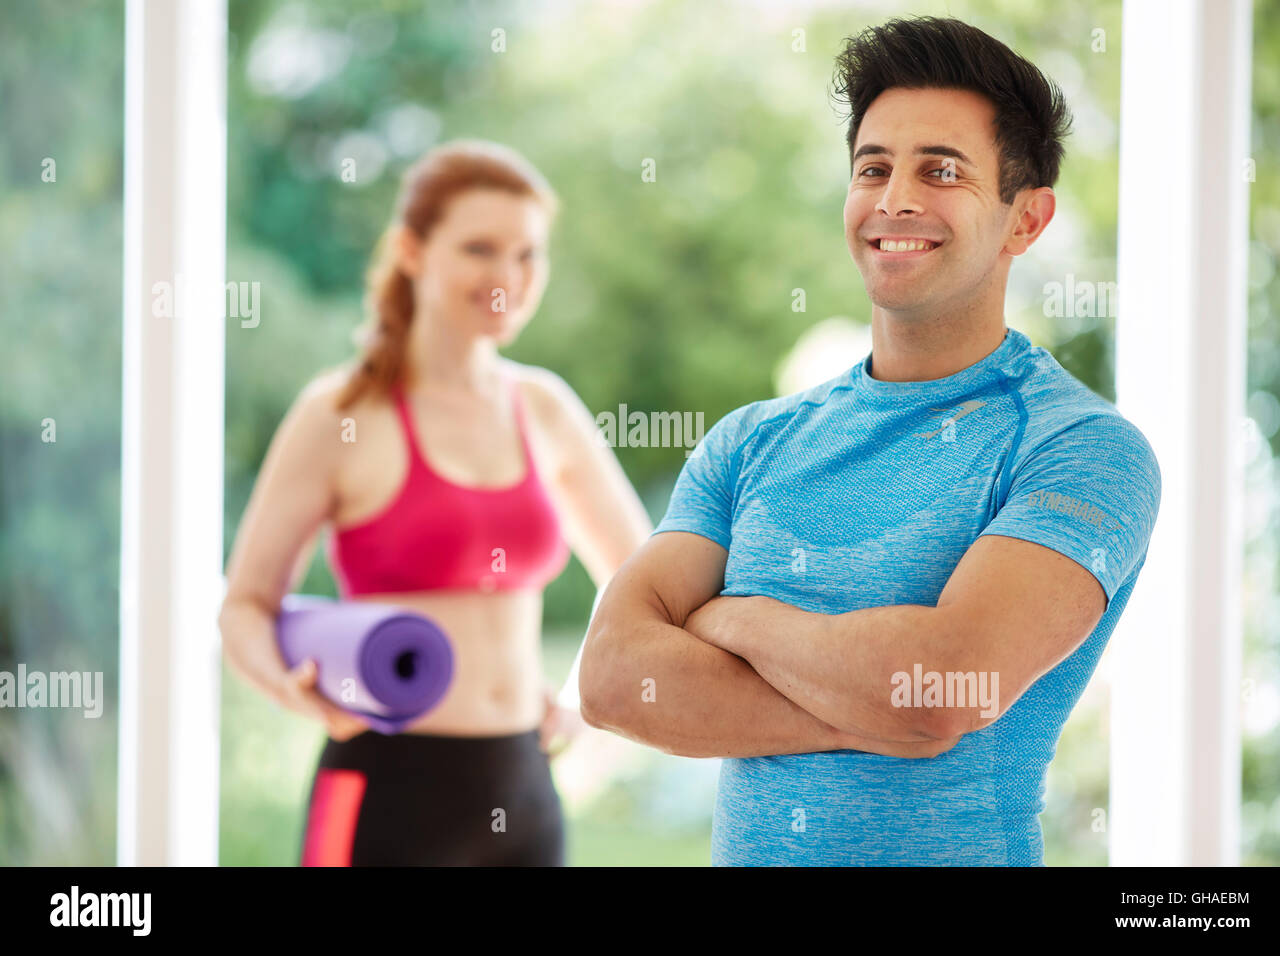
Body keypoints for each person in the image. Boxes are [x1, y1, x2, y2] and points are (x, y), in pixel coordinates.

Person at [580, 16, 1161, 866]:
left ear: (1026, 221)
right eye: (874, 167)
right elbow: (611, 679)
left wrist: (734, 618)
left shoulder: (1081, 448)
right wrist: (873, 707)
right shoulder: (752, 442)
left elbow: (940, 689)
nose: (895, 199)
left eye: (942, 170)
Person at [219, 139, 652, 866]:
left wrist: (582, 697)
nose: (507, 278)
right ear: (411, 251)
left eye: (528, 255)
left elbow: (641, 580)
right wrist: (294, 694)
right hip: (382, 788)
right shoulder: (339, 412)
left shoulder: (545, 406)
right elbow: (245, 606)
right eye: (480, 249)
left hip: (521, 788)